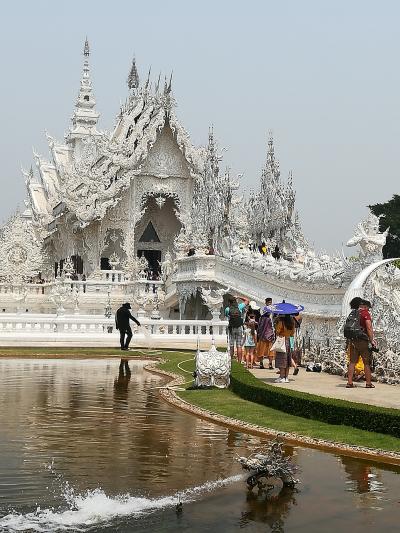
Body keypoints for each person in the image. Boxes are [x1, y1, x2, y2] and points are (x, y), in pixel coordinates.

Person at [346, 297, 376, 388]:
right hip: (363, 340)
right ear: (365, 306)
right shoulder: (365, 314)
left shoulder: (353, 313)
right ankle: (368, 383)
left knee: (352, 362)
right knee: (366, 362)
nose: (368, 309)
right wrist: (372, 340)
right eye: (368, 307)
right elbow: (369, 327)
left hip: (353, 340)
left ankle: (350, 382)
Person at [225, 296, 248, 363]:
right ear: (235, 301)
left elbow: (227, 315)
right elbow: (247, 300)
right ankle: (239, 361)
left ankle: (231, 360)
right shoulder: (239, 307)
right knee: (239, 345)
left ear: (229, 302)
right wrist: (239, 297)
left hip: (232, 328)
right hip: (239, 327)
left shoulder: (227, 309)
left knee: (231, 344)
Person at [274, 314, 295, 383]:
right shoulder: (292, 322)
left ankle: (281, 376)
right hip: (288, 341)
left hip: (282, 341)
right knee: (288, 360)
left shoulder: (281, 322)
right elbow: (292, 333)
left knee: (282, 359)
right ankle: (286, 377)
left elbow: (277, 331)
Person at [256, 302, 275, 369]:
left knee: (261, 350)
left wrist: (258, 335)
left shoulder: (261, 319)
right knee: (270, 351)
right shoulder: (269, 319)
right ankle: (270, 364)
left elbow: (259, 328)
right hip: (269, 337)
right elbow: (272, 328)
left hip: (262, 336)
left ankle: (261, 364)